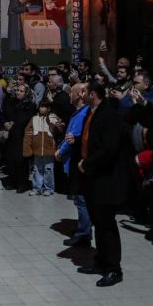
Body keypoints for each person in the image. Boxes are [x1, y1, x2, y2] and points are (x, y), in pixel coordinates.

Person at [77, 82, 128, 287]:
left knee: (107, 223)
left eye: (84, 91)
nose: (81, 95)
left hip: (106, 178)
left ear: (93, 94)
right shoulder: (92, 112)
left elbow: (109, 149)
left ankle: (114, 268)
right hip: (91, 176)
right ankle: (101, 260)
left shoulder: (110, 116)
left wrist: (87, 163)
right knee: (98, 221)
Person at [56, 82, 92, 247]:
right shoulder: (77, 113)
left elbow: (73, 136)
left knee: (80, 198)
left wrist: (60, 151)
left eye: (72, 92)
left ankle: (84, 233)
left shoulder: (84, 113)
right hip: (75, 160)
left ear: (80, 94)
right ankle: (83, 229)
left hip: (78, 161)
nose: (69, 95)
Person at [23, 101, 61, 196]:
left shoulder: (53, 118)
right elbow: (28, 132)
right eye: (40, 106)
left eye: (44, 107)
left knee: (49, 169)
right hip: (37, 150)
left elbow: (59, 130)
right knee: (36, 169)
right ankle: (37, 188)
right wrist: (27, 147)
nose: (41, 108)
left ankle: (49, 188)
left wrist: (56, 125)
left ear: (48, 109)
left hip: (49, 150)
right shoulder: (34, 119)